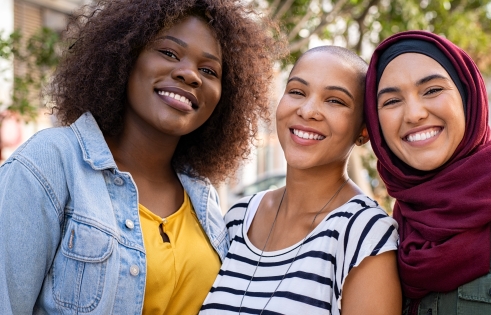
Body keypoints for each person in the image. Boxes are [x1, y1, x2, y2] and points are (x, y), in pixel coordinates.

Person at [0, 0, 285, 313]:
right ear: (125, 56)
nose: (190, 75)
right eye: (168, 53)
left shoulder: (203, 198)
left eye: (208, 70)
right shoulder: (50, 163)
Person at [364, 30, 491, 315]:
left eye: (432, 90)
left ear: (468, 98)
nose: (414, 114)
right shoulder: (382, 238)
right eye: (392, 101)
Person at [200, 46, 402, 315]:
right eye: (297, 92)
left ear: (364, 131)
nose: (307, 111)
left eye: (335, 101)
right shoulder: (239, 217)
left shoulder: (365, 233)